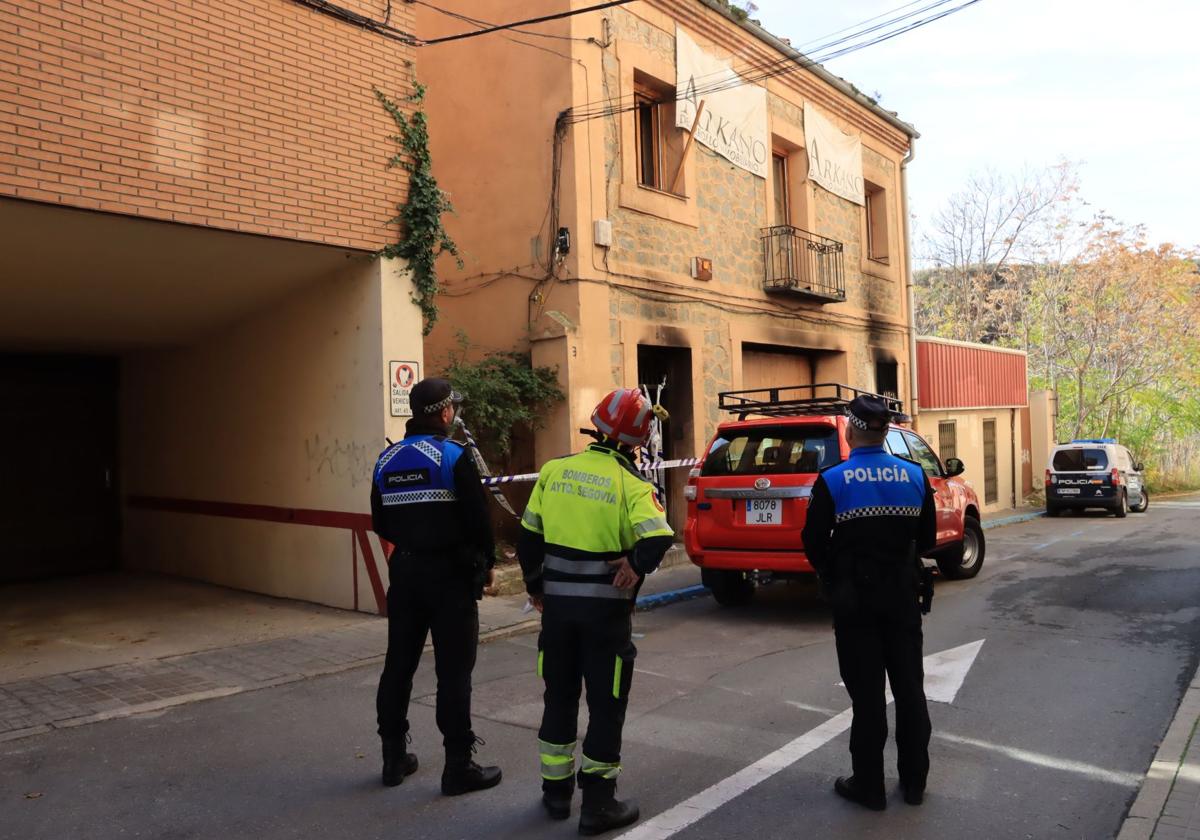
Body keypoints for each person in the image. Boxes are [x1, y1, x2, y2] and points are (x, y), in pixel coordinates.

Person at [518, 388, 674, 835]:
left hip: (559, 613)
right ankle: (598, 805)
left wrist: (536, 587)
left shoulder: (554, 471)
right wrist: (634, 565)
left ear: (598, 425)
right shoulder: (631, 483)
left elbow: (529, 538)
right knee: (606, 706)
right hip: (605, 619)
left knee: (559, 697)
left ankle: (555, 794)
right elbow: (659, 537)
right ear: (636, 442)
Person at [801, 394, 937, 811]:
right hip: (901, 596)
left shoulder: (834, 479)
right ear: (885, 432)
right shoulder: (915, 476)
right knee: (910, 690)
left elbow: (812, 542)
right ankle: (914, 785)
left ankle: (870, 786)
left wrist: (834, 573)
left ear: (852, 429)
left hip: (855, 601)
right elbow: (928, 540)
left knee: (867, 697)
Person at [371, 377, 502, 795]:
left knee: (399, 665)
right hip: (450, 578)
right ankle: (458, 766)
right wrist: (485, 565)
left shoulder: (386, 460)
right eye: (453, 409)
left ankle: (393, 758)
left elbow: (380, 522)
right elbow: (479, 522)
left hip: (406, 575)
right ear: (445, 413)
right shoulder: (452, 456)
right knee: (453, 673)